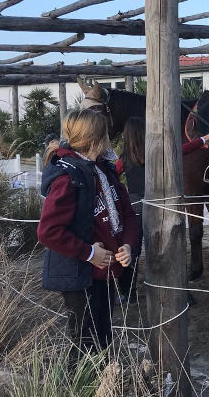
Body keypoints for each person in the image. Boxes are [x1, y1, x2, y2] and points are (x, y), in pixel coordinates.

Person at [37, 109, 139, 367]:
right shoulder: (69, 178)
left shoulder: (105, 171)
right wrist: (89, 253)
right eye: (105, 133)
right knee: (84, 345)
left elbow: (127, 213)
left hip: (104, 273)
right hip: (80, 275)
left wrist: (128, 244)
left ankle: (101, 385)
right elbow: (48, 231)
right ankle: (80, 386)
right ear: (97, 139)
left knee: (102, 339)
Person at [113, 116, 209, 303]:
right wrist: (204, 138)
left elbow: (112, 174)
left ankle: (127, 294)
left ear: (127, 136)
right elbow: (182, 150)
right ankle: (181, 291)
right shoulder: (157, 152)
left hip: (135, 208)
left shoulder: (124, 159)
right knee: (169, 251)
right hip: (160, 207)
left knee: (132, 252)